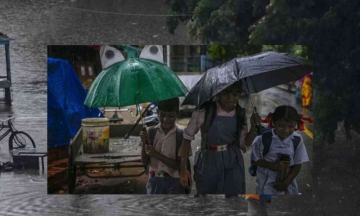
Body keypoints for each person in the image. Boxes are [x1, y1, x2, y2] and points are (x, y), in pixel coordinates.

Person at [179, 81, 261, 196]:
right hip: (209, 162)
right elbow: (186, 139)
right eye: (226, 93)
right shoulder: (204, 111)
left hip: (233, 162)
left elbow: (243, 145)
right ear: (218, 93)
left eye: (235, 94)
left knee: (232, 202)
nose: (231, 98)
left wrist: (253, 129)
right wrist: (183, 168)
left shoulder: (240, 113)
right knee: (208, 200)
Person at [250, 105, 309, 195]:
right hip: (266, 180)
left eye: (291, 126)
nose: (286, 130)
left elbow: (297, 165)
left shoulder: (297, 140)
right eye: (281, 125)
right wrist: (273, 165)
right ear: (273, 122)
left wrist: (285, 183)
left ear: (296, 125)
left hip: (288, 181)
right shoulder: (262, 138)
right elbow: (254, 160)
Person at [140, 98, 192, 194]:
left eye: (171, 116)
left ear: (177, 113)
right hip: (154, 181)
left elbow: (180, 166)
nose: (166, 119)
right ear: (157, 112)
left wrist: (156, 154)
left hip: (174, 183)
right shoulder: (150, 132)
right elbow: (144, 161)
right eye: (162, 115)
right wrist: (144, 142)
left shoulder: (181, 136)